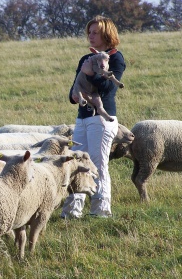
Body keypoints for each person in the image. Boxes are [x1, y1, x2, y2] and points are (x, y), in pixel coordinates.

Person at [61, 15, 126, 219]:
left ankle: (101, 210)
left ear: (107, 34)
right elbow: (74, 91)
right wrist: (74, 95)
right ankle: (72, 211)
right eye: (89, 32)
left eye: (95, 32)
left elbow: (107, 88)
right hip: (82, 119)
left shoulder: (116, 58)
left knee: (98, 164)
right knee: (76, 162)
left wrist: (90, 74)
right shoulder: (85, 59)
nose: (90, 36)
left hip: (102, 119)